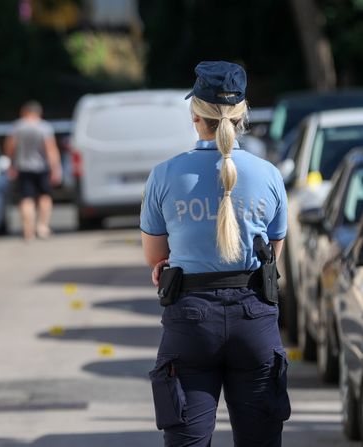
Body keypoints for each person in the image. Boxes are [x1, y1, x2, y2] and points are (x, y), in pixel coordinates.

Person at [140, 61, 290, 446]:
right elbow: (274, 254)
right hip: (253, 319)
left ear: (196, 116)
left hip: (190, 320)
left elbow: (156, 255)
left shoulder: (164, 175)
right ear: (242, 115)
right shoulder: (269, 175)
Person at [4, 101, 62, 241]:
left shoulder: (17, 127)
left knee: (26, 199)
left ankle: (28, 231)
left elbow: (10, 147)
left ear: (24, 111)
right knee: (45, 197)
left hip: (23, 167)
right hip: (41, 167)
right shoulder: (44, 127)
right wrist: (56, 168)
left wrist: (11, 165)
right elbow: (50, 149)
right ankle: (42, 227)